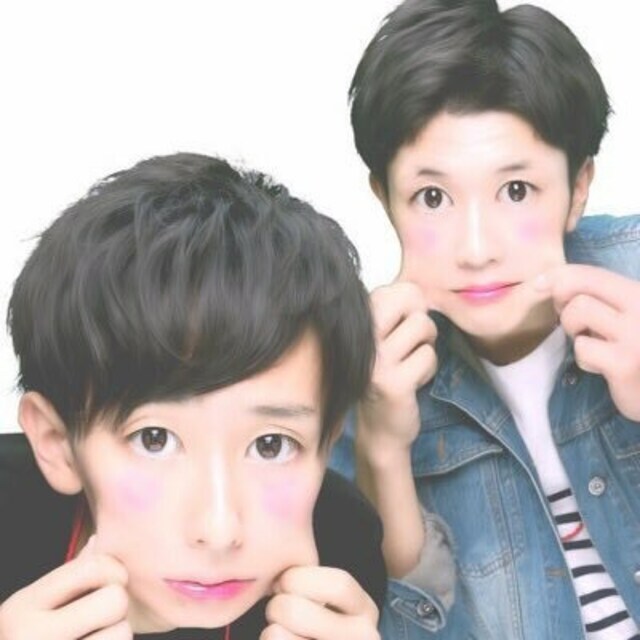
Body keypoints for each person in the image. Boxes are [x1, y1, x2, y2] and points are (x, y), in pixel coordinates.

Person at [329, 0, 640, 638]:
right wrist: (383, 450)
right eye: (432, 197)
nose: (476, 249)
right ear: (385, 201)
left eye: (516, 191)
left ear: (578, 188)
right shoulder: (356, 377)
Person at [0, 152, 386, 639]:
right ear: (57, 444)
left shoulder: (342, 549)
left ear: (327, 442)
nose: (219, 530)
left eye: (271, 445)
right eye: (154, 439)